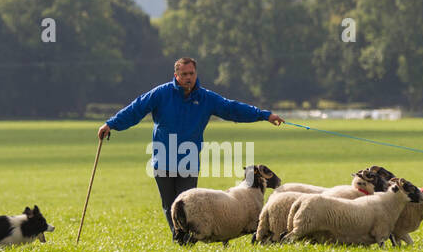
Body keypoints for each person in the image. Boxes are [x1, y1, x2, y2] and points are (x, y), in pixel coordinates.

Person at [97, 57, 284, 234]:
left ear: (196, 74)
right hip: (163, 159)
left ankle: (185, 239)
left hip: (189, 162)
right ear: (176, 75)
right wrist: (111, 124)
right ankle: (180, 238)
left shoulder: (206, 98)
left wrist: (264, 115)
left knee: (187, 203)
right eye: (184, 74)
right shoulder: (161, 94)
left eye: (192, 73)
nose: (188, 78)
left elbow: (232, 109)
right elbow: (135, 109)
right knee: (170, 206)